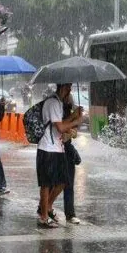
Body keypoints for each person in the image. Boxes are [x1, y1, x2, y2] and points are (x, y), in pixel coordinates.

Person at [36, 83, 83, 228]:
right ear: (63, 88)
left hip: (57, 148)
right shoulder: (54, 102)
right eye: (68, 88)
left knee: (63, 181)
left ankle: (47, 207)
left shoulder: (58, 103)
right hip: (48, 148)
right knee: (46, 184)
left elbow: (60, 123)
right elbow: (60, 127)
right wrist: (76, 121)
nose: (70, 91)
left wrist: (74, 116)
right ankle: (43, 217)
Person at [61, 94, 82, 224]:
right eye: (67, 88)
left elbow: (72, 135)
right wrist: (74, 119)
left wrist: (73, 131)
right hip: (55, 150)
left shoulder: (70, 110)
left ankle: (70, 213)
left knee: (69, 184)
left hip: (67, 150)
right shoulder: (56, 107)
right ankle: (44, 209)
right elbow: (61, 132)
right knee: (55, 184)